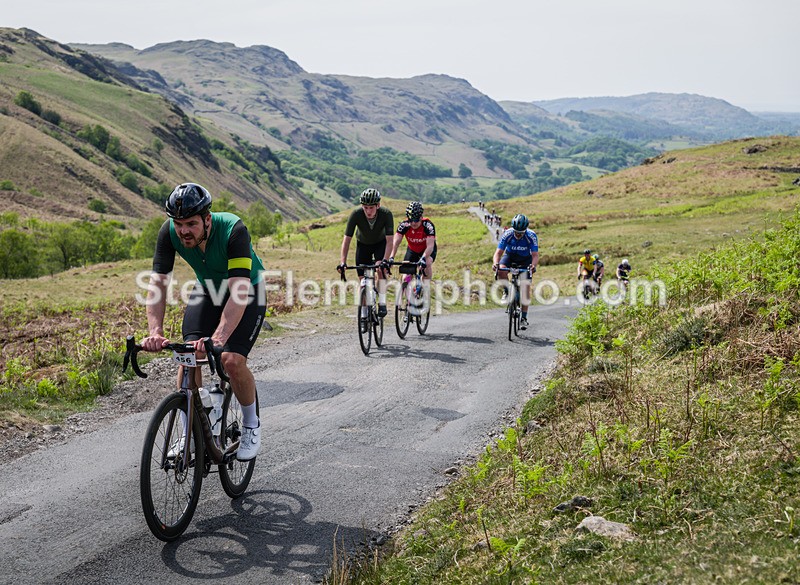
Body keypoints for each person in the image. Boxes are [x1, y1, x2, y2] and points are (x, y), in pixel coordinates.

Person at [141, 183, 266, 461]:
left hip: (247, 290)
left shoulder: (234, 230)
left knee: (231, 360)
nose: (183, 230)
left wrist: (219, 338)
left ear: (207, 219)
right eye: (179, 223)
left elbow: (238, 292)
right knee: (188, 354)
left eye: (191, 224)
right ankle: (190, 434)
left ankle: (250, 425)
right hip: (208, 289)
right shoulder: (169, 232)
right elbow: (158, 285)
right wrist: (155, 331)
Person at [337, 188, 394, 317]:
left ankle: (382, 302)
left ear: (378, 205)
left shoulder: (386, 214)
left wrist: (385, 260)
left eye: (371, 208)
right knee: (363, 281)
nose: (368, 211)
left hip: (380, 245)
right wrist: (343, 262)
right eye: (365, 207)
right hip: (363, 246)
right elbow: (346, 240)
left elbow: (390, 241)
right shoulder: (356, 214)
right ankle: (363, 313)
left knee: (381, 269)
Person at [492, 214, 539, 330]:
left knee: (525, 288)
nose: (518, 235)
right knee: (501, 270)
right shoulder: (507, 234)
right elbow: (498, 253)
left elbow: (535, 255)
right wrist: (495, 264)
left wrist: (533, 266)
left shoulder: (531, 236)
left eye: (521, 233)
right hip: (510, 256)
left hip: (525, 259)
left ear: (525, 230)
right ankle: (506, 291)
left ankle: (524, 318)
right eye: (516, 232)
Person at [386, 201, 436, 282]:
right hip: (412, 250)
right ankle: (408, 292)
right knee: (406, 278)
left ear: (421, 217)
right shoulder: (404, 225)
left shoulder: (428, 226)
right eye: (410, 220)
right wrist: (391, 257)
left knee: (427, 263)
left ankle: (425, 288)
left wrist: (423, 258)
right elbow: (395, 243)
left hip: (426, 249)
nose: (413, 223)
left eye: (416, 220)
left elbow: (430, 246)